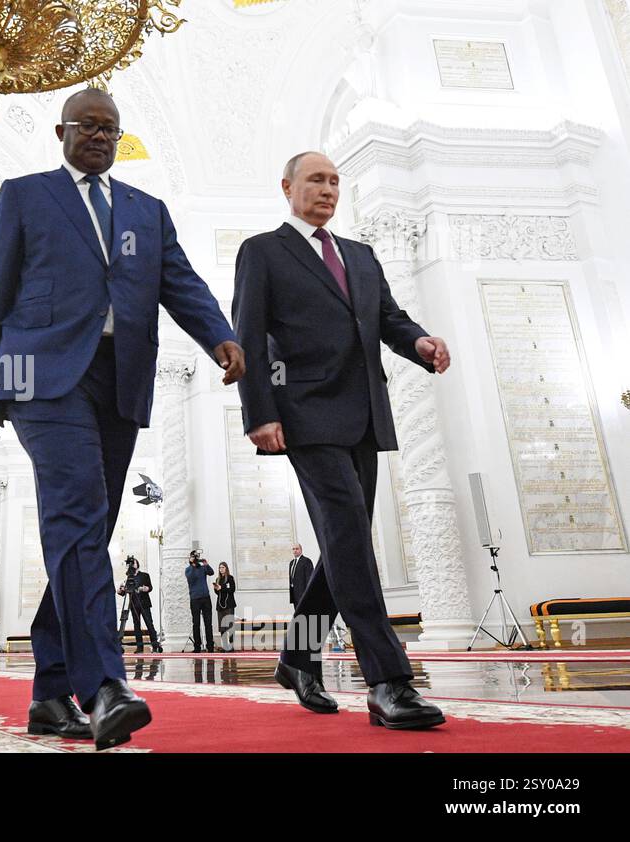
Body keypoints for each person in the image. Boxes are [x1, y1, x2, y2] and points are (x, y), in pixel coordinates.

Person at [0, 87, 245, 749]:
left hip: (119, 379)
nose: (98, 135)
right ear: (61, 131)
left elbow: (180, 281)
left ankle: (46, 694)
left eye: (110, 129)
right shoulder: (25, 195)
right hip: (38, 377)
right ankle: (104, 687)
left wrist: (220, 336)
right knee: (77, 514)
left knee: (87, 526)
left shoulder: (146, 212)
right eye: (87, 125)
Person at [232, 151, 450, 730]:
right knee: (350, 537)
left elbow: (390, 319)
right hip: (303, 416)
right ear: (287, 187)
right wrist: (259, 411)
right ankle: (388, 681)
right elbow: (247, 334)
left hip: (364, 415)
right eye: (316, 180)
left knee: (343, 543)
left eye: (334, 181)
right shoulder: (263, 251)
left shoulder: (360, 254)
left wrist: (420, 343)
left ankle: (298, 655)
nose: (328, 190)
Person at [116, 556, 160, 654]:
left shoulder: (144, 575)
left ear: (138, 564)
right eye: (131, 563)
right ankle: (139, 647)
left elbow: (150, 587)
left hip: (144, 604)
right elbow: (123, 592)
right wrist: (120, 590)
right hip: (133, 604)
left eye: (134, 563)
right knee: (137, 625)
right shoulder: (128, 578)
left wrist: (145, 589)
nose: (132, 565)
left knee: (149, 624)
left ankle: (155, 646)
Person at [185, 551, 215, 653]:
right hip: (195, 599)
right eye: (194, 557)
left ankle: (210, 646)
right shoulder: (188, 570)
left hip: (206, 598)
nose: (196, 558)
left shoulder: (203, 568)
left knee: (208, 623)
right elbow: (191, 578)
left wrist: (206, 564)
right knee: (196, 623)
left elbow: (211, 572)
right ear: (190, 558)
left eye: (197, 557)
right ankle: (197, 646)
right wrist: (192, 565)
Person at [213, 562, 237, 651]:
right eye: (220, 568)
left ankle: (231, 646)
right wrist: (216, 589)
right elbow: (217, 593)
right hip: (220, 606)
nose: (221, 569)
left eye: (223, 567)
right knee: (222, 628)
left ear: (226, 568)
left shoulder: (230, 578)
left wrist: (221, 588)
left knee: (230, 626)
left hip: (229, 605)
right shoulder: (217, 579)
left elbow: (232, 589)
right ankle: (225, 646)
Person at [288, 543, 314, 609]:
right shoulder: (291, 563)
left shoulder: (306, 561)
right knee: (298, 615)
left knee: (305, 614)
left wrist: (308, 594)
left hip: (303, 594)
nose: (295, 551)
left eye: (297, 549)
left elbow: (309, 578)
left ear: (301, 550)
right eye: (293, 549)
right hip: (294, 594)